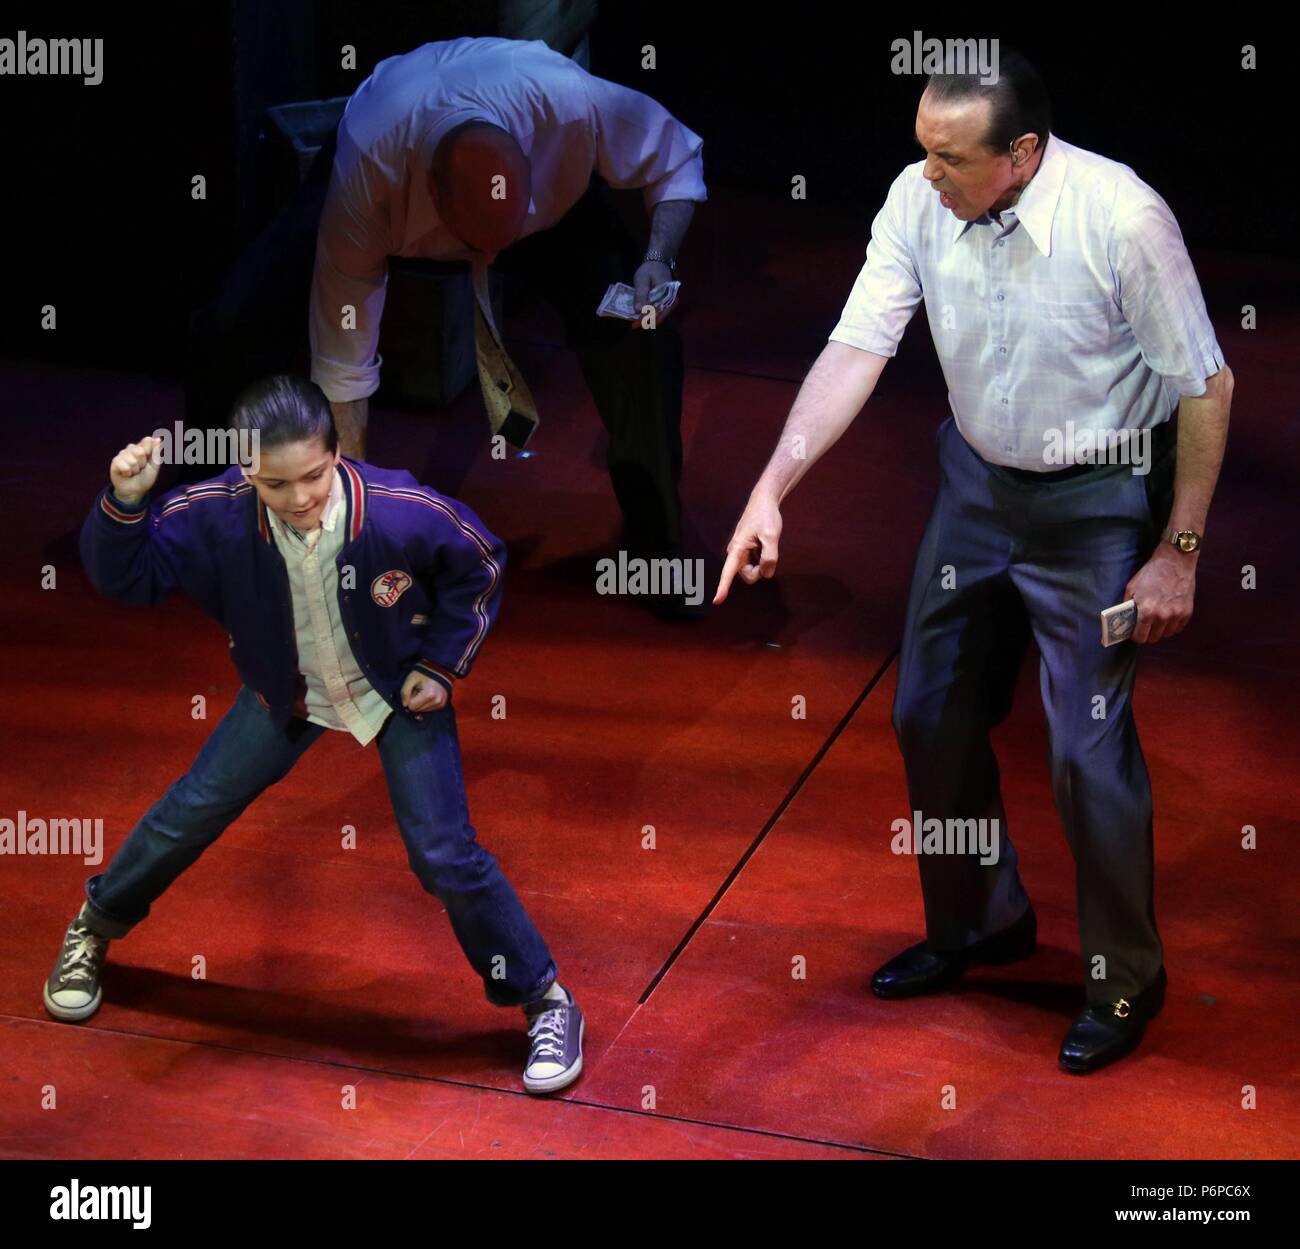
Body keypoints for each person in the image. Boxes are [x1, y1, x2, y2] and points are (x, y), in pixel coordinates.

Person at [714, 48, 1233, 1073]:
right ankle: (977, 921)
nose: (926, 173)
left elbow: (1205, 388)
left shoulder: (1122, 220)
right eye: (921, 149)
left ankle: (1123, 977)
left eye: (948, 157)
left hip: (1098, 504)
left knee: (1085, 754)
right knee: (927, 712)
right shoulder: (918, 201)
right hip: (976, 489)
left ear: (1023, 154)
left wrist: (1177, 552)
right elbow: (857, 346)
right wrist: (770, 487)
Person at [46, 374, 584, 1095]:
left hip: (393, 689)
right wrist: (125, 502)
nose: (299, 499)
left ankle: (546, 1000)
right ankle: (94, 923)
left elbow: (481, 560)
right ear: (246, 471)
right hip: (288, 693)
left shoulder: (399, 510)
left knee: (444, 855)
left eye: (314, 476)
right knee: (189, 813)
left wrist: (441, 665)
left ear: (339, 453)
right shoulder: (216, 514)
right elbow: (128, 578)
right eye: (276, 485)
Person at [190, 36, 707, 588]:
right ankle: (211, 526)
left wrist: (657, 258)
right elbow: (345, 364)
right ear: (434, 193)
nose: (487, 259)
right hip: (385, 145)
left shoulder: (572, 105)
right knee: (234, 322)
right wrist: (358, 525)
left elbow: (677, 158)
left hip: (547, 210)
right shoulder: (370, 171)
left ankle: (657, 553)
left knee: (642, 338)